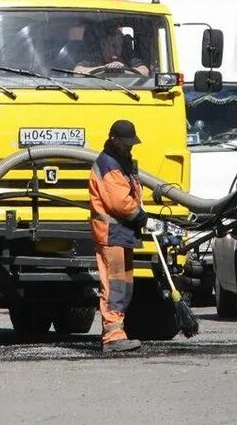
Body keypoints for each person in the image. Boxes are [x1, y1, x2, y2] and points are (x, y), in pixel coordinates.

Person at [89, 119, 149, 354]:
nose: (130, 147)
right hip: (111, 233)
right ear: (114, 140)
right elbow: (119, 203)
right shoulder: (108, 165)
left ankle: (116, 333)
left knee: (122, 287)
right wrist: (142, 217)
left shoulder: (119, 162)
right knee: (114, 287)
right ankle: (113, 337)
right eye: (126, 143)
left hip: (121, 233)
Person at [74, 24, 149, 76]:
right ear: (103, 45)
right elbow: (77, 72)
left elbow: (145, 72)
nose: (116, 50)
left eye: (119, 46)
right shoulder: (96, 57)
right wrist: (103, 69)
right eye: (113, 45)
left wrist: (124, 68)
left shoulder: (128, 55)